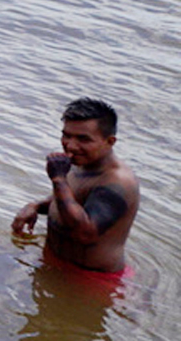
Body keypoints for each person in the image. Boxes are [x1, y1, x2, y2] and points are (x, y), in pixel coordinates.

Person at [12, 98, 139, 280]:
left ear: (110, 141)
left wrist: (58, 179)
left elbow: (85, 233)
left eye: (83, 139)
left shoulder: (117, 182)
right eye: (67, 135)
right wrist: (36, 206)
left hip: (92, 281)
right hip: (55, 265)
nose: (70, 145)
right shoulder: (82, 163)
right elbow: (70, 201)